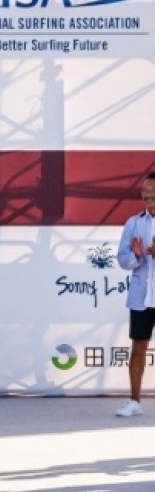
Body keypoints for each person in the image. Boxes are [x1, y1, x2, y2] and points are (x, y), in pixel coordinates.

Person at [114, 172, 155, 417]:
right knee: (139, 347)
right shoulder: (133, 223)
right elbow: (123, 260)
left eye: (152, 191)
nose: (147, 195)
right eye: (145, 191)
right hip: (142, 297)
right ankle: (134, 401)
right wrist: (138, 255)